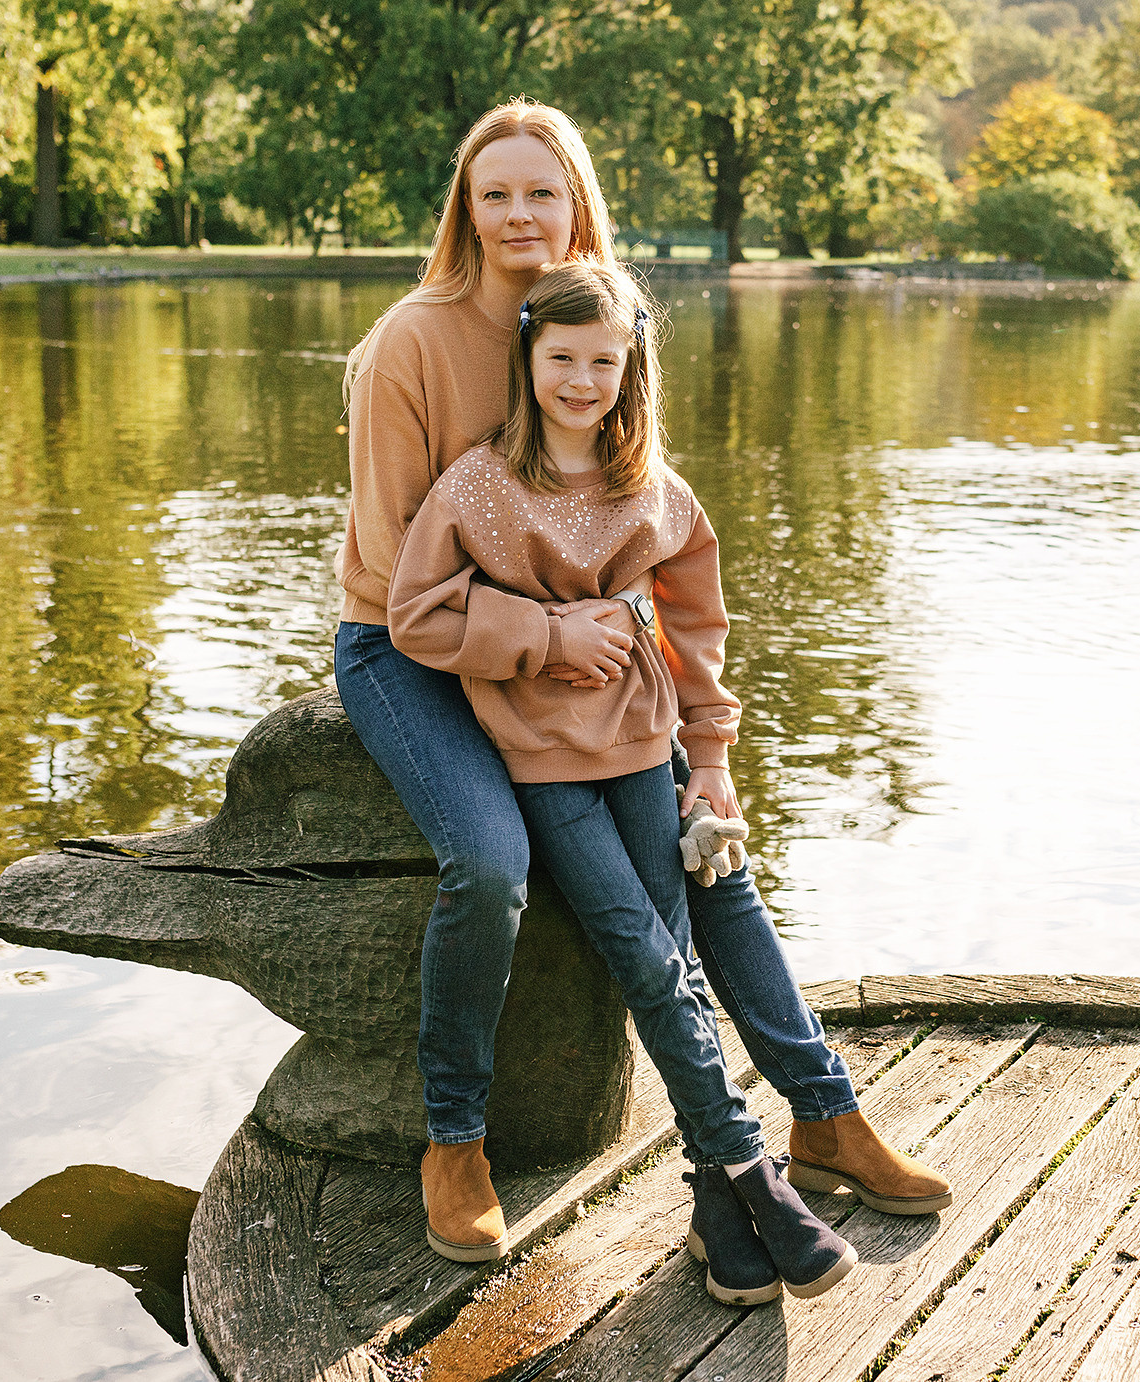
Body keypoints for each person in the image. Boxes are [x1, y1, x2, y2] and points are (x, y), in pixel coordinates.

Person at [331, 98, 950, 1270]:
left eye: (542, 192)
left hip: (577, 661)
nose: (519, 214)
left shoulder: (594, 327)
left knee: (703, 849)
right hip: (411, 644)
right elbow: (385, 571)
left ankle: (821, 1109)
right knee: (488, 862)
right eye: (494, 192)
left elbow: (661, 557)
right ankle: (453, 1136)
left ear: (577, 205)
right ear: (464, 208)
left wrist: (703, 746)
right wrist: (551, 638)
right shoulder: (411, 341)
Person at [389, 259, 864, 1301]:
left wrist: (710, 758)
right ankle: (755, 1171)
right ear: (527, 357)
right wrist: (542, 631)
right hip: (543, 765)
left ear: (630, 366)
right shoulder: (477, 483)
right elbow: (413, 616)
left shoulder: (655, 490)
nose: (580, 378)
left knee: (680, 958)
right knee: (645, 958)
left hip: (644, 752)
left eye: (604, 360)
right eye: (560, 356)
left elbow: (698, 633)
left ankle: (721, 1210)